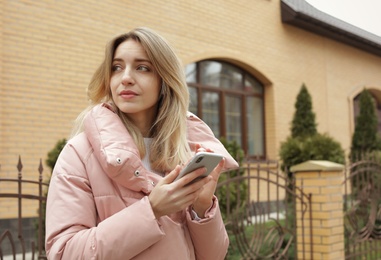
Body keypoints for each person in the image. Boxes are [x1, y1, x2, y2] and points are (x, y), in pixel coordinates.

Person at [45, 27, 239, 260]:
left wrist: (201, 207)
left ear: (164, 80)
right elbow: (64, 253)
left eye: (142, 67)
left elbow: (213, 256)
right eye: (117, 67)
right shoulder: (79, 154)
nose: (125, 78)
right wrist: (152, 210)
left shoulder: (185, 151)